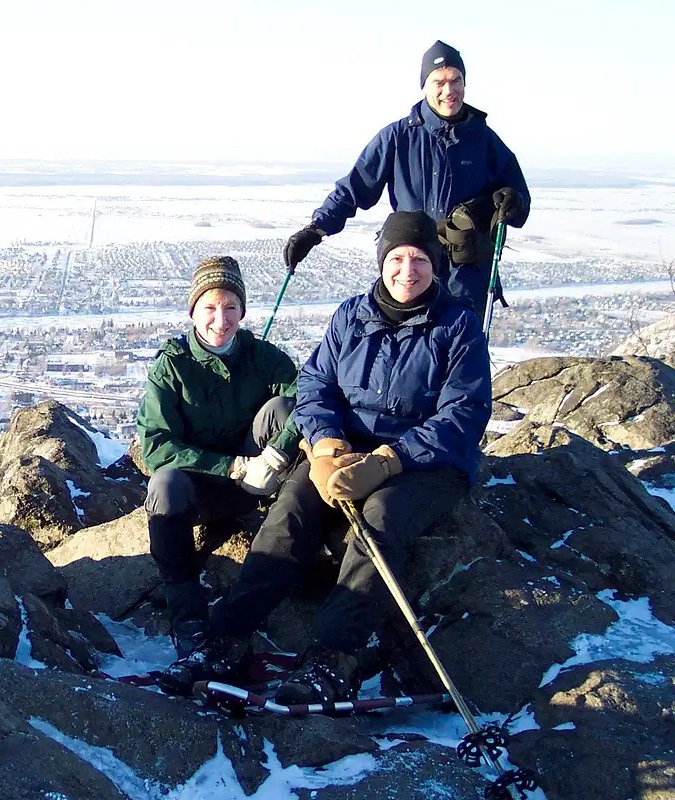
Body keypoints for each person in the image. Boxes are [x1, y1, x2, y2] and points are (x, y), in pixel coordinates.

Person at [157, 210, 492, 700]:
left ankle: (334, 657)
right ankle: (224, 639)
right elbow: (315, 386)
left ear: (436, 265)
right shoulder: (351, 316)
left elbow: (463, 414)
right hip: (344, 452)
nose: (407, 269)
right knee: (289, 512)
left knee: (377, 521)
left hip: (425, 464)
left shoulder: (458, 328)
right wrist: (324, 445)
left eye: (419, 258)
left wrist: (388, 461)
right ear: (381, 261)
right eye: (396, 257)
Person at [283, 40, 530, 321]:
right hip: (410, 272)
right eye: (438, 82)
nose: (448, 91)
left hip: (467, 278)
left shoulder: (485, 141)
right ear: (424, 86)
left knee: (462, 356)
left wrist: (513, 201)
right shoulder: (398, 137)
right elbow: (355, 188)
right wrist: (316, 230)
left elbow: (519, 198)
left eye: (456, 80)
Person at [136, 255, 301, 663]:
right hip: (201, 490)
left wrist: (277, 454)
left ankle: (293, 513)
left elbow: (307, 400)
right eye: (210, 307)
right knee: (164, 486)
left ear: (243, 310)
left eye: (231, 307)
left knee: (282, 407)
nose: (221, 319)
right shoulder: (172, 366)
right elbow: (156, 445)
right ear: (193, 310)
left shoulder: (263, 357)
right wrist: (230, 466)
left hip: (259, 482)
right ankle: (188, 618)